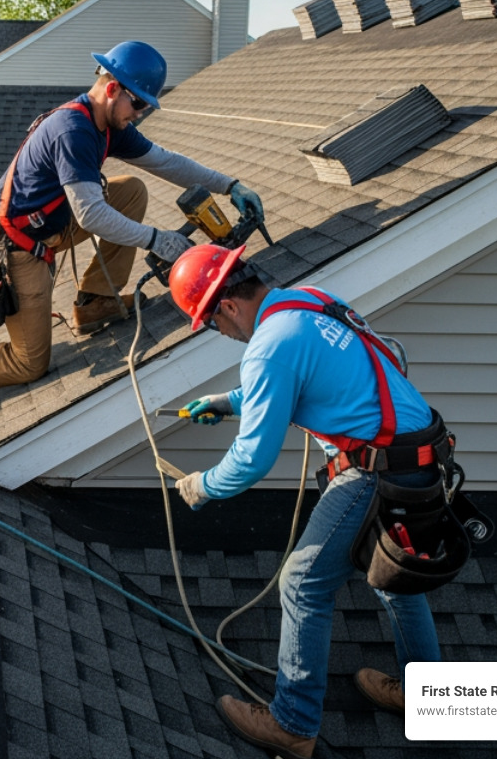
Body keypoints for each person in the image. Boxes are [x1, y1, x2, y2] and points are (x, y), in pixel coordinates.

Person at [166, 244, 445, 759]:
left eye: (210, 324)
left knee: (302, 582)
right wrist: (231, 401)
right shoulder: (308, 301)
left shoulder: (269, 345)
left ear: (226, 306)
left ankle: (293, 725)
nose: (220, 334)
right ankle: (424, 697)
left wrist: (202, 486)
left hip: (374, 471)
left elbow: (252, 459)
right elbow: (321, 372)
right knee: (393, 578)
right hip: (422, 456)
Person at [0, 40, 263, 421]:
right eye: (137, 104)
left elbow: (164, 162)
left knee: (130, 191)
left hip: (50, 223)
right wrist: (158, 240)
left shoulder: (108, 123)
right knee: (29, 363)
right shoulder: (73, 130)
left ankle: (95, 302)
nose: (138, 114)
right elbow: (90, 215)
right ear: (111, 88)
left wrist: (230, 185)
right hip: (14, 246)